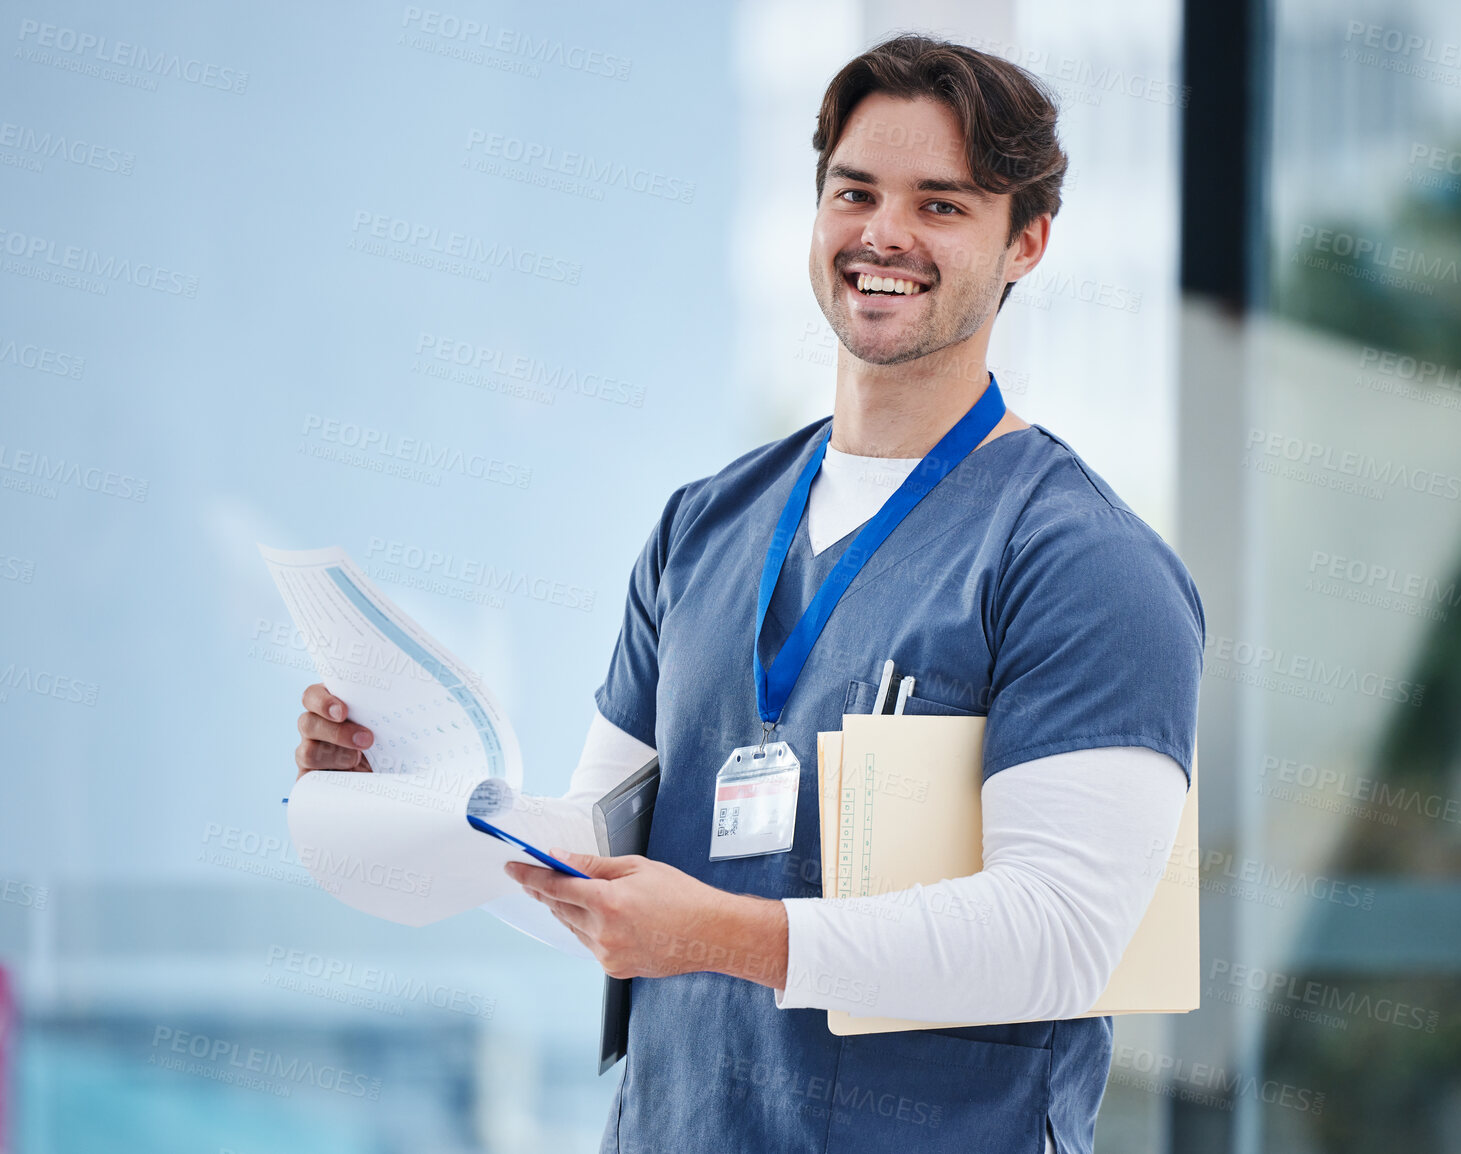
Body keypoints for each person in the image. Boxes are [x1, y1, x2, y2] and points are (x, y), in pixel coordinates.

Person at [293, 33, 1203, 1154]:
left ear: (1027, 242)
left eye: (942, 206)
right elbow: (597, 869)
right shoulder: (701, 529)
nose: (884, 234)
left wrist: (732, 934)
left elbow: (1066, 933)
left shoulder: (1081, 561)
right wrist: (416, 794)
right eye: (854, 191)